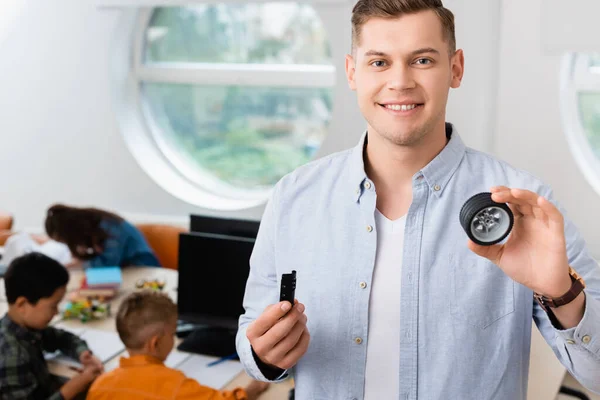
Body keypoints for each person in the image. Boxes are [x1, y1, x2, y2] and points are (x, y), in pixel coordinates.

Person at [235, 0, 600, 399]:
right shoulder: (294, 197)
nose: (400, 82)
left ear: (455, 68)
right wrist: (264, 355)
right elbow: (251, 331)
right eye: (379, 62)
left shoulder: (526, 206)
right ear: (352, 72)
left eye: (422, 60)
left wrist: (561, 292)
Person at [86, 291, 270, 400]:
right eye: (173, 333)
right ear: (155, 342)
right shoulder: (173, 387)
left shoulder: (99, 385)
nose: (174, 339)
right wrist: (253, 389)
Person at [0, 252, 104, 399]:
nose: (56, 312)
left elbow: (62, 338)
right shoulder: (12, 356)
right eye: (53, 305)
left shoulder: (26, 327)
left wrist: (83, 353)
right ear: (22, 304)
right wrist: (73, 387)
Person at [44, 203, 161, 268]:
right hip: (126, 269)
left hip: (143, 267)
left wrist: (82, 263)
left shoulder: (109, 227)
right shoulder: (94, 226)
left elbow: (109, 264)